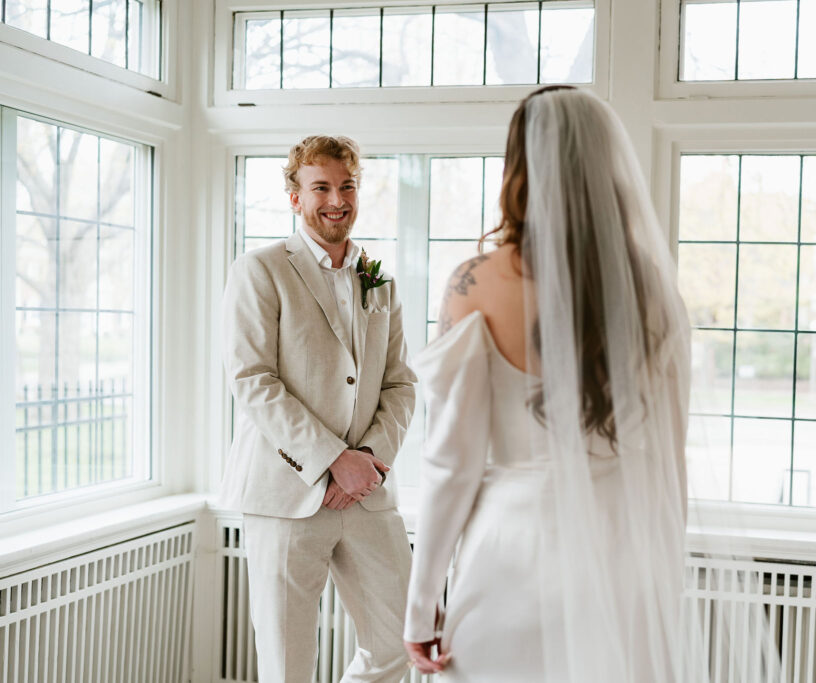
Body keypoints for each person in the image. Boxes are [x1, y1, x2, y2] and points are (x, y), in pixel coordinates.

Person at [403, 87, 779, 682]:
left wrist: (420, 606)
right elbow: (668, 457)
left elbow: (450, 463)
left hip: (510, 553)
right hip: (620, 560)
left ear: (518, 166)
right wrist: (659, 583)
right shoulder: (652, 287)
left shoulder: (476, 282)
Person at [220, 135, 416, 683]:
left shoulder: (380, 280)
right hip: (286, 494)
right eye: (321, 187)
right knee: (287, 663)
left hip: (368, 496)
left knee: (400, 640)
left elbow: (400, 385)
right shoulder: (259, 270)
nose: (337, 199)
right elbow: (253, 380)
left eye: (347, 186)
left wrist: (368, 460)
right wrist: (334, 458)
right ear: (294, 196)